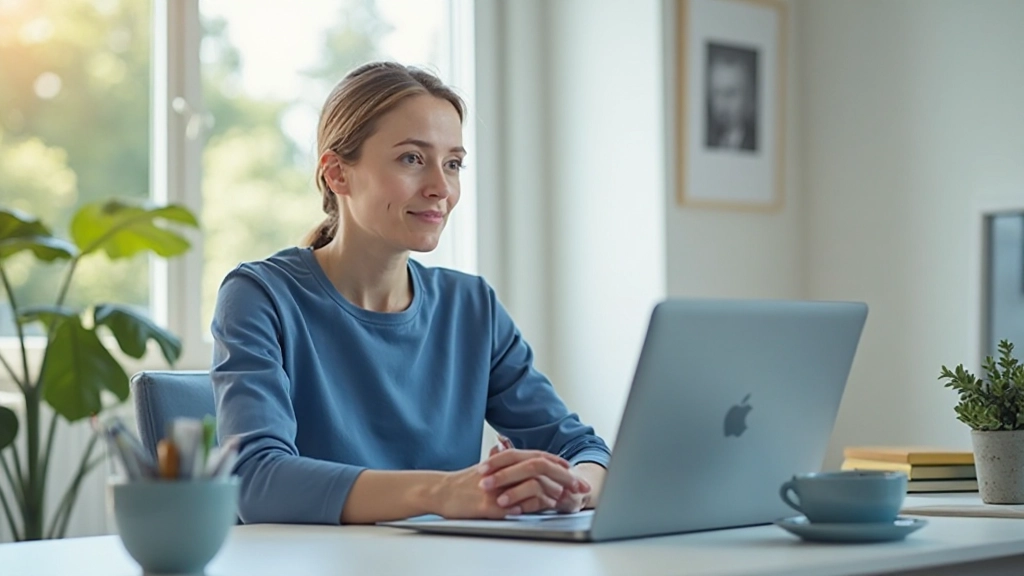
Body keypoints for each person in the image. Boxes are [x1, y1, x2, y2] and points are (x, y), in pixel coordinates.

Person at [210, 61, 611, 526]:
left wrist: (568, 490)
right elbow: (257, 481)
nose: (441, 188)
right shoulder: (261, 296)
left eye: (454, 164)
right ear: (337, 174)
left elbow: (583, 449)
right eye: (412, 159)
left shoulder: (472, 307)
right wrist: (442, 491)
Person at [705, 45, 757, 152]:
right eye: (717, 93)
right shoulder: (706, 137)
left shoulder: (754, 140)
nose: (722, 104)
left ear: (748, 96)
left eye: (730, 94)